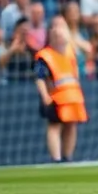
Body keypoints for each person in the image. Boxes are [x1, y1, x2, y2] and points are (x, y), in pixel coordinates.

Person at [34, 16, 89, 163]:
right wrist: (45, 94)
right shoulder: (45, 55)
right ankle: (56, 159)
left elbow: (87, 52)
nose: (60, 30)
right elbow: (39, 77)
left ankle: (67, 157)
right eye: (56, 26)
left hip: (71, 95)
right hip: (54, 95)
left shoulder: (71, 51)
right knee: (54, 126)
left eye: (62, 26)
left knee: (71, 125)